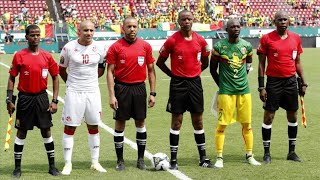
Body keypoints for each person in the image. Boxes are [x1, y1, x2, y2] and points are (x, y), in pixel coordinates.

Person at [156, 9, 213, 170]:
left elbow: (205, 62)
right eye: (183, 19)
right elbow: (160, 62)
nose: (186, 22)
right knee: (176, 122)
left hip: (195, 84)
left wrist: (194, 73)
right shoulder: (172, 41)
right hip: (178, 85)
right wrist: (173, 75)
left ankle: (203, 158)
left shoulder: (200, 41)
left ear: (193, 20)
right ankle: (173, 161)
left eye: (189, 19)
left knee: (198, 121)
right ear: (178, 22)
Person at [6, 24, 60, 178]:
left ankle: (52, 166)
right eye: (32, 35)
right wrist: (8, 99)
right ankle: (17, 168)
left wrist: (55, 100)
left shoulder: (47, 56)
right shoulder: (19, 56)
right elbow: (11, 78)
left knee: (46, 130)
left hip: (42, 98)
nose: (36, 38)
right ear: (26, 37)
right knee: (21, 132)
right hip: (24, 99)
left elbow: (56, 77)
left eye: (38, 35)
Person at [209, 19, 261, 168]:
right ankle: (219, 157)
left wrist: (241, 78)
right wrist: (222, 85)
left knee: (247, 125)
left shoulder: (247, 46)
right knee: (221, 125)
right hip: (226, 93)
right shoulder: (219, 46)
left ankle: (250, 155)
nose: (236, 29)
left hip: (244, 92)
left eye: (238, 26)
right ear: (227, 29)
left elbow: (249, 64)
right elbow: (213, 69)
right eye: (232, 27)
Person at [257, 10, 307, 164]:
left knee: (293, 115)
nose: (283, 22)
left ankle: (291, 152)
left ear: (289, 22)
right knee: (269, 116)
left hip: (291, 82)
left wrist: (303, 82)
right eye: (280, 20)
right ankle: (267, 153)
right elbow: (261, 63)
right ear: (275, 22)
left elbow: (297, 62)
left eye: (285, 19)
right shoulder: (267, 39)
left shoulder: (296, 38)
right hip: (273, 83)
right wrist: (261, 87)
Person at [106, 17, 156, 171]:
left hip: (139, 88)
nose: (132, 29)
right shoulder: (115, 47)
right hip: (121, 89)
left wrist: (152, 92)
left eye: (134, 26)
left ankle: (140, 159)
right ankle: (120, 161)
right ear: (123, 28)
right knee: (120, 123)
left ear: (138, 28)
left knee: (140, 123)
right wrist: (111, 95)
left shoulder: (145, 46)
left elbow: (151, 70)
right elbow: (109, 72)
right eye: (129, 26)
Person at [59, 20, 107, 175]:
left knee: (93, 126)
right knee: (70, 127)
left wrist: (90, 82)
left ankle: (95, 161)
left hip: (93, 92)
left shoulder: (100, 48)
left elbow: (101, 68)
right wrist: (72, 84)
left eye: (92, 30)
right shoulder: (69, 48)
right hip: (74, 92)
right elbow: (62, 70)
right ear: (79, 31)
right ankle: (67, 163)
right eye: (85, 30)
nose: (89, 33)